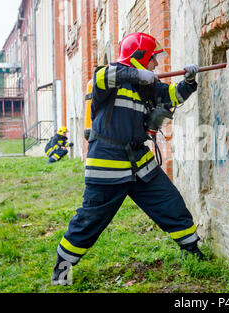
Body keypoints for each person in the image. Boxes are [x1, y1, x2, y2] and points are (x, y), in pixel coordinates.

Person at [51, 33, 203, 286]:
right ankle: (62, 270)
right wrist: (136, 74)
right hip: (107, 163)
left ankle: (192, 252)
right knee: (90, 220)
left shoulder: (149, 85)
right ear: (140, 56)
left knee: (170, 202)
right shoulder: (108, 78)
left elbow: (172, 96)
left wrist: (188, 81)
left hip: (139, 161)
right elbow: (103, 75)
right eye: (153, 59)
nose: (156, 64)